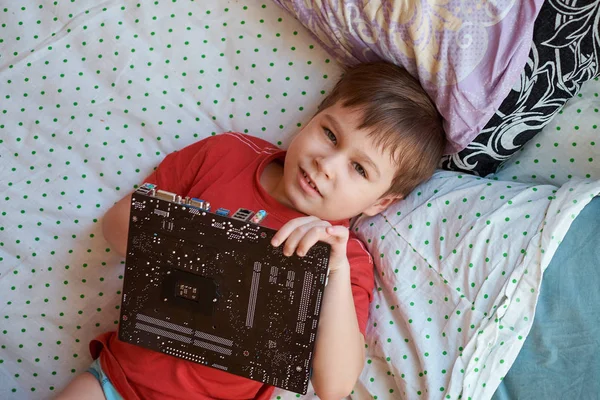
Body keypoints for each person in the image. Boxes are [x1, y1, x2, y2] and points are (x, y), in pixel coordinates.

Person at [55, 61, 446, 400]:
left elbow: (335, 385)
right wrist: (183, 232)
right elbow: (114, 226)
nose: (327, 163)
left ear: (380, 204)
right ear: (312, 116)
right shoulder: (225, 154)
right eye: (329, 134)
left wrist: (336, 273)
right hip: (117, 381)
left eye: (359, 169)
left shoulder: (344, 260)